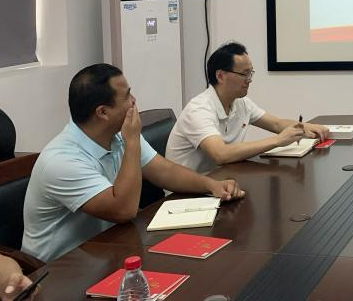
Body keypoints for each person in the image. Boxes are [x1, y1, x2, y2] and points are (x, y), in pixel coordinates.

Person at [22, 64, 245, 263]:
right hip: (61, 272)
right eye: (127, 95)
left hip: (108, 250)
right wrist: (131, 142)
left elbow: (164, 171)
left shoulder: (117, 134)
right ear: (103, 112)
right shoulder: (62, 160)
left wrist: (211, 185)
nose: (134, 101)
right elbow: (123, 210)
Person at [166, 42, 329, 173]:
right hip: (187, 193)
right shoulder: (199, 109)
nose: (249, 79)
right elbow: (220, 154)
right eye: (244, 74)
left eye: (251, 73)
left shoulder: (240, 102)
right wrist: (278, 140)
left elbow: (276, 124)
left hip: (221, 180)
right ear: (220, 76)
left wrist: (305, 126)